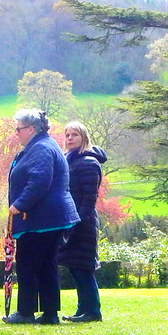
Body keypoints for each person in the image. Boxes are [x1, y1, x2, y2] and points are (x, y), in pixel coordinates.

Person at [4, 109, 78, 324]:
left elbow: (39, 180)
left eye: (18, 129)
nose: (16, 133)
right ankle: (49, 313)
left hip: (40, 219)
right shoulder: (42, 146)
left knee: (28, 264)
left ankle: (26, 312)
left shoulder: (41, 148)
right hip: (49, 218)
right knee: (47, 265)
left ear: (30, 129)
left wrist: (19, 205)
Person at [57, 121, 106, 322]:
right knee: (75, 266)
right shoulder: (69, 160)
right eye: (67, 135)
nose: (69, 139)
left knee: (83, 267)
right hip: (72, 220)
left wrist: (78, 221)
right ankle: (82, 309)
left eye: (74, 135)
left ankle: (93, 311)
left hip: (83, 222)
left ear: (83, 137)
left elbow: (89, 197)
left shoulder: (88, 163)